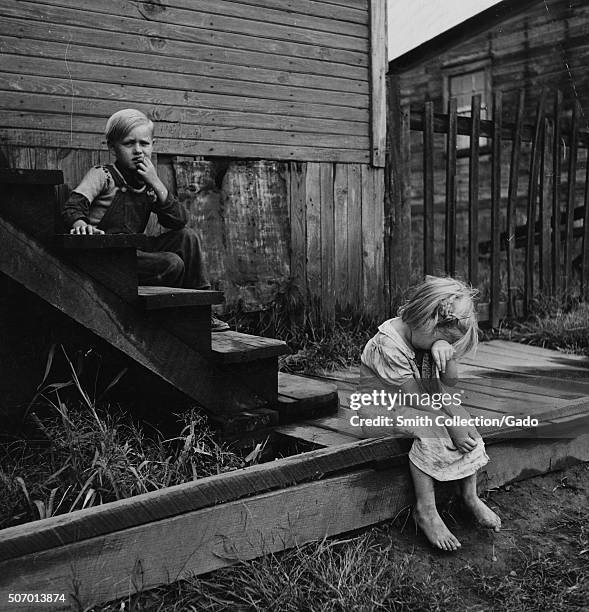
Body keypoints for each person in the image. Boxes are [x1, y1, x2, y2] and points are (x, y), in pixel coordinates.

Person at [358, 276, 501, 551]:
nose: (443, 344)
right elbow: (415, 398)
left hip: (418, 402)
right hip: (380, 410)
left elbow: (450, 382)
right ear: (427, 319)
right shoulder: (388, 344)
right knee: (431, 430)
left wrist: (446, 353)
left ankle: (469, 495)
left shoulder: (424, 335)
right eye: (443, 339)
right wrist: (448, 422)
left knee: (462, 417)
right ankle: (426, 510)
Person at [61, 108, 229, 331]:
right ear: (112, 147)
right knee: (172, 263)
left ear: (152, 144)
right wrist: (81, 225)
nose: (138, 151)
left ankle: (202, 312)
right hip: (105, 257)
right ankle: (176, 313)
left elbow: (178, 221)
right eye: (129, 144)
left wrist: (157, 184)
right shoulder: (103, 175)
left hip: (134, 252)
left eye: (144, 143)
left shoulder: (148, 184)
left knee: (187, 237)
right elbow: (73, 205)